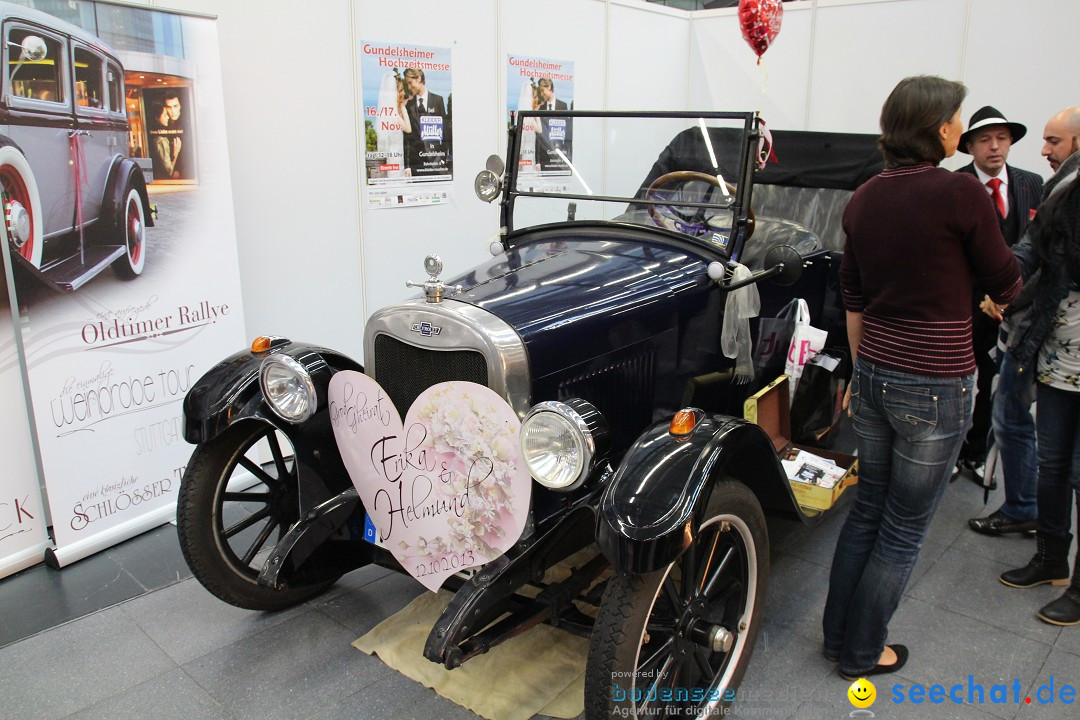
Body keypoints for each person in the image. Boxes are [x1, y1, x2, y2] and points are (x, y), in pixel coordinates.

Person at [822, 76, 1021, 680]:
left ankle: (838, 638)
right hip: (935, 383)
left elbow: (853, 297)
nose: (963, 128)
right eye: (958, 119)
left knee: (867, 511)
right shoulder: (960, 195)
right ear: (940, 128)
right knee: (904, 528)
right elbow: (1007, 283)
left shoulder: (863, 197)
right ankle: (862, 652)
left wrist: (859, 374)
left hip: (876, 373)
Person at [996, 109, 1080, 626]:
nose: (1044, 151)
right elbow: (1030, 252)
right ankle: (1051, 559)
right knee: (1052, 465)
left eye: (1053, 140)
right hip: (1055, 353)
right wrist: (995, 277)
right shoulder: (1062, 191)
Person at [952, 107, 1043, 534]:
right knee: (962, 378)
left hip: (1017, 307)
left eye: (1003, 138)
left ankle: (977, 452)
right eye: (986, 139)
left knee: (1000, 383)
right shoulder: (956, 187)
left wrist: (1014, 297)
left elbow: (1036, 245)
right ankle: (953, 452)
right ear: (969, 145)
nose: (995, 147)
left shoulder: (1032, 185)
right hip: (965, 304)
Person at [401, 67, 449, 178]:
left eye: (410, 82)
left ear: (418, 78)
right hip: (416, 165)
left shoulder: (438, 100)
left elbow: (445, 133)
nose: (408, 87)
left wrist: (443, 159)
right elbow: (407, 138)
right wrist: (407, 166)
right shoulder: (409, 105)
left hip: (437, 164)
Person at [150, 91, 185, 180]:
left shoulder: (186, 123)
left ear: (180, 106)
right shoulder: (160, 136)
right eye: (169, 107)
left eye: (175, 106)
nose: (172, 111)